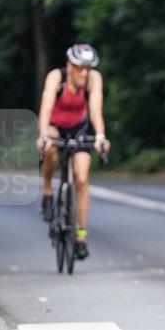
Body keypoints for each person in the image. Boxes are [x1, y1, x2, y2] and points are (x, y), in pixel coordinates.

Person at [36, 44, 110, 261]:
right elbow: (46, 108)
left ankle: (80, 235)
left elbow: (96, 110)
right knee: (49, 149)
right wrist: (42, 136)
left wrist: (100, 136)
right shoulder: (55, 77)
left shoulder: (94, 79)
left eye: (88, 68)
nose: (84, 73)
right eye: (80, 68)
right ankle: (48, 192)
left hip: (79, 128)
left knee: (82, 177)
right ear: (69, 65)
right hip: (55, 125)